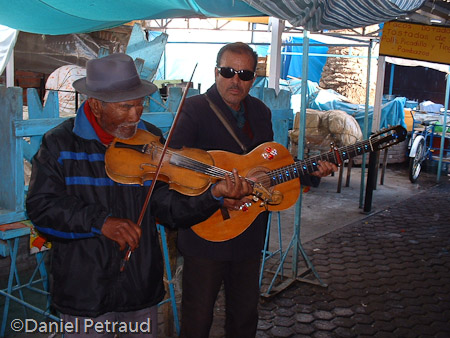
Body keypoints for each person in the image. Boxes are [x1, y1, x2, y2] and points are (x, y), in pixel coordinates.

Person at [25, 53, 253, 338]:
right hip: (84, 291)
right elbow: (41, 208)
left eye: (139, 104)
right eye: (125, 107)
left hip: (139, 285)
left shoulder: (151, 140)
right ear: (95, 105)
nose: (136, 115)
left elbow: (168, 208)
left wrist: (213, 196)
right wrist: (101, 222)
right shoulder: (60, 143)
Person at [169, 42, 338, 338]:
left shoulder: (260, 112)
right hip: (208, 232)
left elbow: (269, 169)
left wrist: (310, 172)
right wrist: (217, 196)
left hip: (249, 232)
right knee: (198, 318)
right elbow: (177, 170)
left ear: (254, 78)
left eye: (245, 74)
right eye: (228, 71)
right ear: (216, 72)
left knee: (245, 317)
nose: (236, 80)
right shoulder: (194, 110)